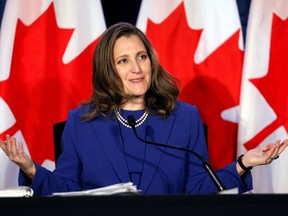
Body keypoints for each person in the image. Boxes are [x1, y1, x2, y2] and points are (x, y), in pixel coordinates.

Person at [0, 22, 287, 196]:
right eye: (123, 61)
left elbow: (199, 188)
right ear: (107, 69)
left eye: (141, 57)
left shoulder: (185, 118)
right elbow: (66, 189)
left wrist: (244, 163)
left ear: (152, 61)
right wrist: (30, 169)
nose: (136, 68)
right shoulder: (81, 123)